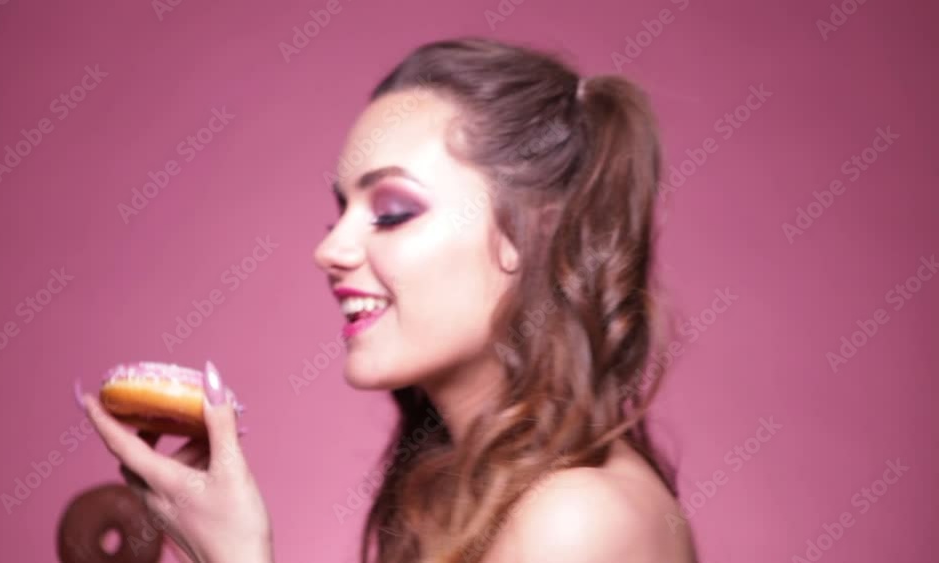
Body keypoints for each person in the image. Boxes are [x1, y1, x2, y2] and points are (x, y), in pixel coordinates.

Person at [80, 36, 699, 563]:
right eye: (341, 211)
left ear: (532, 232)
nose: (331, 249)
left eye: (393, 212)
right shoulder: (471, 493)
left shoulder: (576, 520)